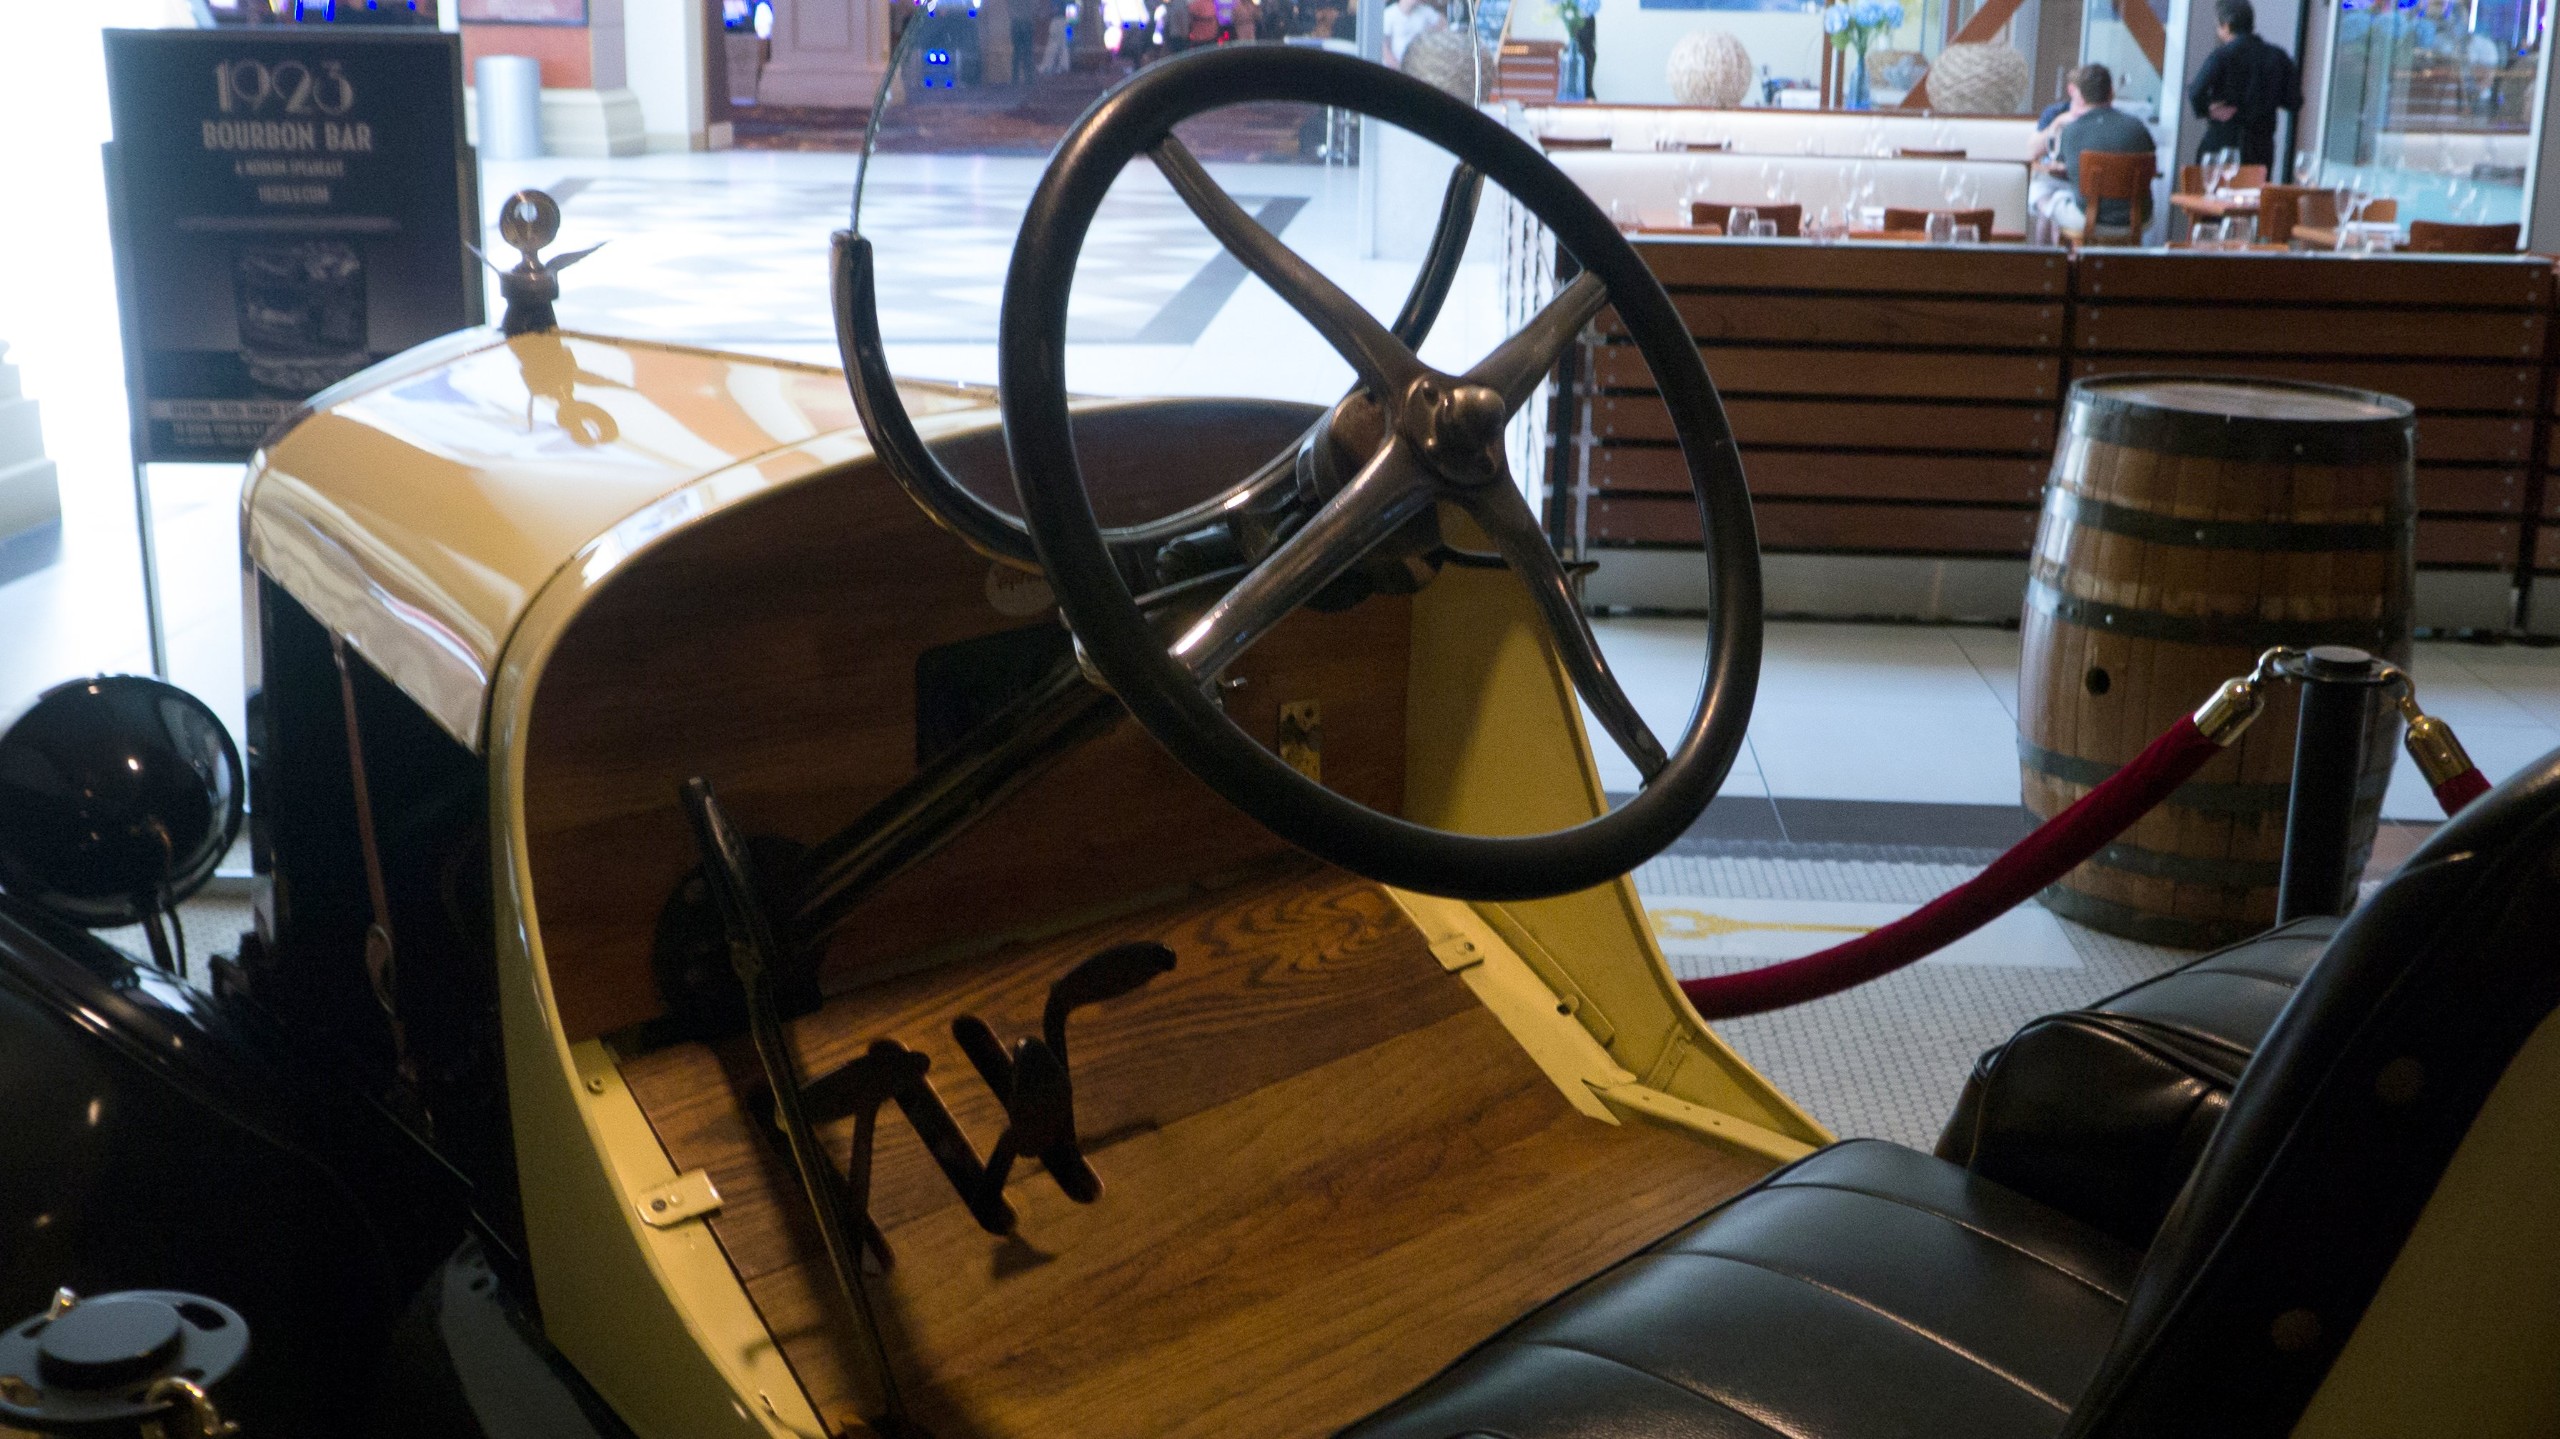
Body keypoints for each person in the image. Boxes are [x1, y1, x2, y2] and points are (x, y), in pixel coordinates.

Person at [2032, 65, 2155, 236]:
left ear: (2080, 96)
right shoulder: (2138, 128)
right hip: (2139, 220)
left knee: (2040, 190)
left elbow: (2063, 167)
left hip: (2088, 218)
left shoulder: (2072, 131)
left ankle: (2049, 252)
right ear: (2111, 92)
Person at [2187, 0, 2302, 169]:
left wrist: (2208, 110)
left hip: (2222, 141)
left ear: (2226, 26)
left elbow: (2195, 92)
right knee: (2254, 186)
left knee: (2214, 185)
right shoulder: (2278, 57)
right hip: (2260, 147)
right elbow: (2294, 102)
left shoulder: (2222, 55)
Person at [1380, 0, 1444, 68]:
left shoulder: (1424, 11)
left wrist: (1428, 32)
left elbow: (1443, 24)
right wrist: (1399, 68)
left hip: (1420, 65)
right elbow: (1384, 49)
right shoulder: (1389, 14)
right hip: (1396, 67)